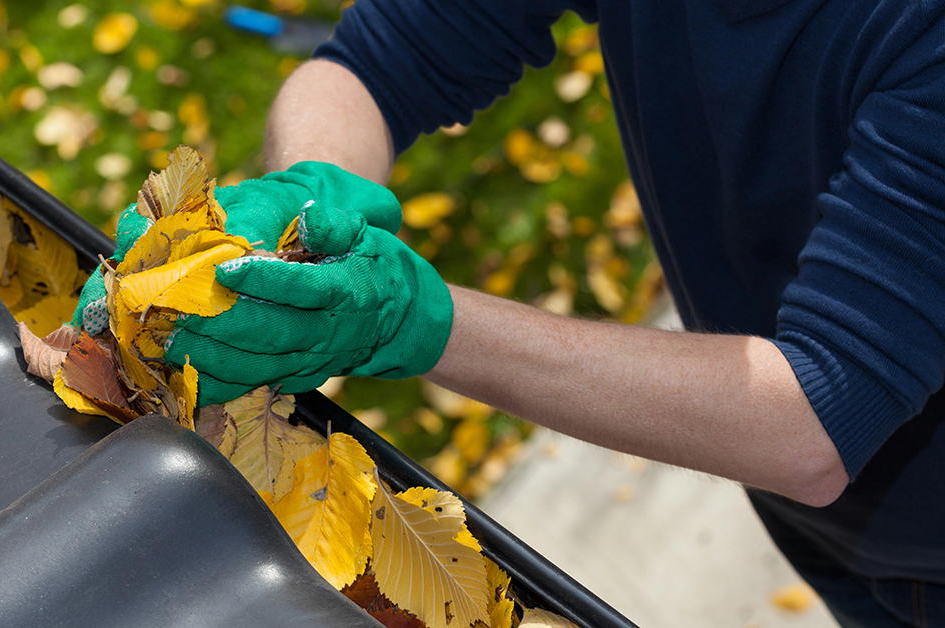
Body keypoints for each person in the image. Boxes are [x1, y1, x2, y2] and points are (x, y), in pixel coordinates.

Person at [76, 1, 945, 625]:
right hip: (836, 534)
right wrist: (306, 203)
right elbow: (374, 64)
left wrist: (412, 318)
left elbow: (814, 415)